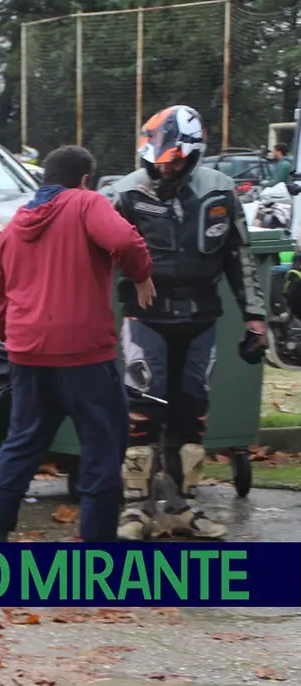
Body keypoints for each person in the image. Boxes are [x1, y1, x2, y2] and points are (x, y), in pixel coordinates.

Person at [111, 105, 269, 541]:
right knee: (142, 415)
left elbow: (240, 256)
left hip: (201, 319)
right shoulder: (126, 193)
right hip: (146, 318)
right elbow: (96, 253)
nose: (163, 170)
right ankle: (136, 509)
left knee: (192, 416)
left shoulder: (220, 190)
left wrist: (256, 317)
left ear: (194, 153)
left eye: (173, 160)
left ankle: (182, 506)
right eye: (157, 161)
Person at [0, 145, 154, 543]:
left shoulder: (15, 224)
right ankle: (97, 547)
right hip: (84, 355)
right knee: (102, 447)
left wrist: (15, 338)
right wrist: (141, 273)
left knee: (21, 443)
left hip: (28, 353)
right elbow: (125, 242)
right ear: (83, 180)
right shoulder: (84, 203)